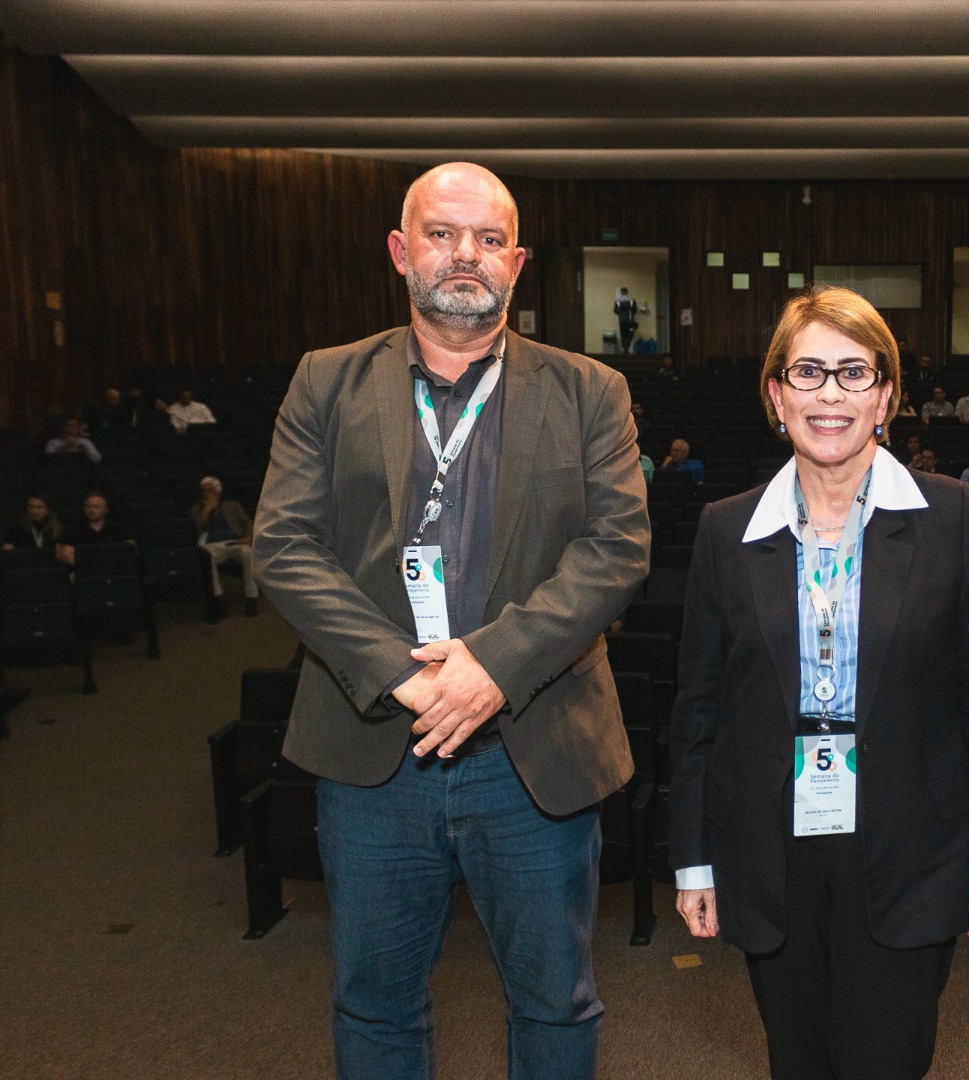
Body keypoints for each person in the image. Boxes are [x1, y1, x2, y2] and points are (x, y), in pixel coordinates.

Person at [253, 162, 650, 1080]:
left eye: (488, 239)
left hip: (535, 750)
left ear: (517, 262)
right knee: (375, 1004)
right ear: (402, 252)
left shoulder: (591, 390)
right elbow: (283, 546)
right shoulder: (325, 381)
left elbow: (617, 549)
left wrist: (493, 667)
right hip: (374, 754)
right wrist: (403, 673)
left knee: (555, 1005)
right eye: (442, 234)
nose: (465, 254)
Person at [670, 284, 969, 1080]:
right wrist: (693, 859)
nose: (830, 394)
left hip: (912, 840)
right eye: (808, 373)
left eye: (854, 373)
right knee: (796, 1060)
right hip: (769, 843)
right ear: (776, 395)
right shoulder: (727, 529)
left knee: (885, 1061)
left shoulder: (954, 517)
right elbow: (697, 713)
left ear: (885, 397)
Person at [191, 476, 259, 618]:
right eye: (204, 491)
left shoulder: (232, 506)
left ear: (218, 492)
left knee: (248, 553)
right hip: (211, 546)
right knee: (207, 558)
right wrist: (206, 511)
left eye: (210, 490)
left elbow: (247, 523)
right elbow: (195, 531)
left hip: (235, 542)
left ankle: (251, 598)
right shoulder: (196, 510)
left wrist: (248, 538)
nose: (206, 494)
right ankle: (218, 599)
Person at [57, 491, 131, 566]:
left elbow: (130, 549)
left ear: (106, 510)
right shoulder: (74, 530)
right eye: (88, 506)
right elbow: (67, 555)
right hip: (85, 570)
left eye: (96, 507)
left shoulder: (117, 529)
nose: (91, 510)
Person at [613, 286, 638, 351]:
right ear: (627, 292)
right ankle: (627, 345)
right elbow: (635, 310)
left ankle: (624, 348)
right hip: (630, 320)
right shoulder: (632, 300)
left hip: (622, 320)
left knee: (623, 333)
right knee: (630, 333)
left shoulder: (618, 301)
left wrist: (620, 314)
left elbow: (615, 310)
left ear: (621, 293)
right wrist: (631, 314)